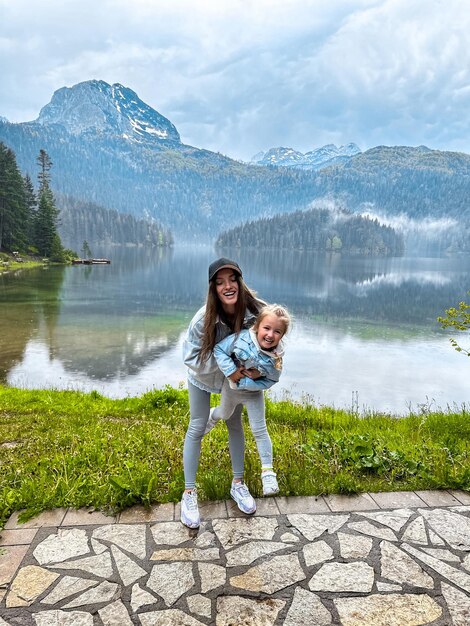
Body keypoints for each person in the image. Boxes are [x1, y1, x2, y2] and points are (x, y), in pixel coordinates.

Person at [181, 257, 264, 528]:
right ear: (213, 288)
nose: (227, 286)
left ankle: (238, 484)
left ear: (239, 282)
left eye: (232, 280)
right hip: (202, 376)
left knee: (234, 424)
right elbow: (190, 358)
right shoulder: (201, 320)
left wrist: (262, 368)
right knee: (196, 425)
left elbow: (272, 339)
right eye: (220, 282)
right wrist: (227, 366)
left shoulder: (254, 313)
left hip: (236, 380)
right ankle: (189, 493)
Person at [206, 304, 291, 497]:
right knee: (224, 413)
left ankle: (268, 473)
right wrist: (232, 372)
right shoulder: (242, 338)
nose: (270, 335)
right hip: (232, 388)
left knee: (259, 429)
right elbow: (219, 349)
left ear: (282, 336)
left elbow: (271, 380)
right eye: (267, 328)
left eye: (277, 332)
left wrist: (251, 380)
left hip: (253, 394)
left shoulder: (276, 359)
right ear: (257, 327)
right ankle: (212, 416)